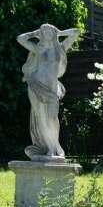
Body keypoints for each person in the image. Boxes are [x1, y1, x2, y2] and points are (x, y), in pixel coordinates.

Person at [16, 24, 81, 159]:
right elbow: (20, 39)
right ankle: (50, 149)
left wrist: (60, 32)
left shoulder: (61, 48)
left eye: (49, 30)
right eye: (43, 30)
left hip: (51, 89)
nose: (46, 32)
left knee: (52, 118)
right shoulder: (37, 49)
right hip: (35, 86)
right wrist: (34, 33)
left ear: (53, 32)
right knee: (41, 118)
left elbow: (76, 32)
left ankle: (55, 146)